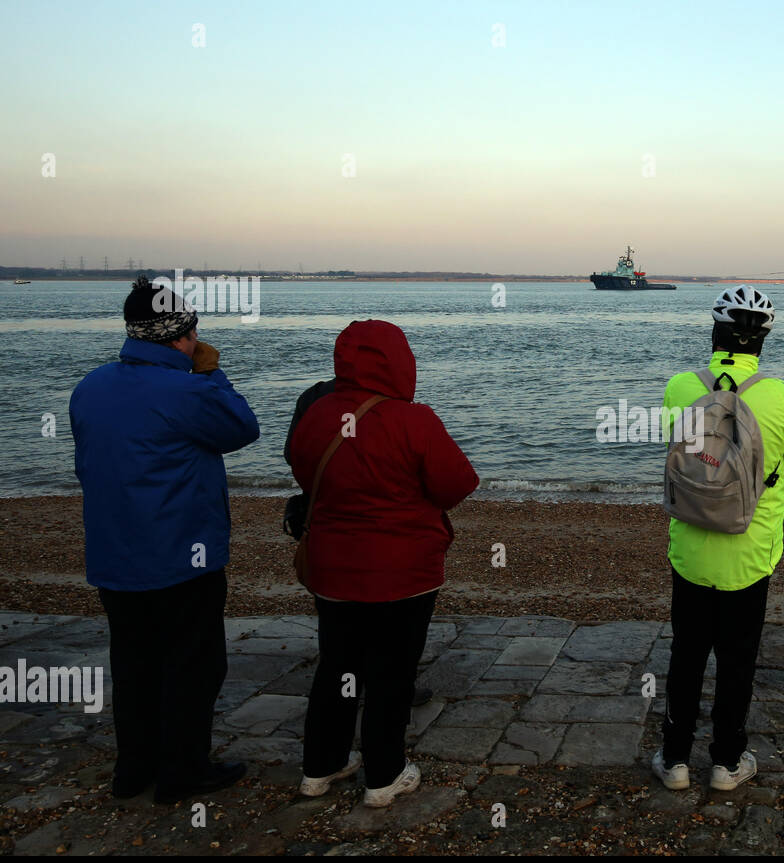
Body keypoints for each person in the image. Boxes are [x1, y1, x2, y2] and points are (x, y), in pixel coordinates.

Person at [70, 274, 260, 804]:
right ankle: (181, 773)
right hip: (181, 555)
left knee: (133, 665)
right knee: (193, 665)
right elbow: (243, 429)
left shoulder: (90, 387)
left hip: (114, 555)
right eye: (193, 332)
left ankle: (133, 771)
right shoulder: (187, 389)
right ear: (182, 335)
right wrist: (213, 371)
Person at [288, 319, 478, 808]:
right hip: (401, 571)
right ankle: (383, 775)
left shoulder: (316, 412)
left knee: (337, 666)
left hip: (333, 568)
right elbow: (457, 484)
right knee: (391, 673)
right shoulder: (413, 420)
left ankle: (321, 766)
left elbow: (300, 467)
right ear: (399, 362)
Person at [652, 285, 784, 791]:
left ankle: (674, 759)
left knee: (686, 654)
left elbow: (674, 453)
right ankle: (726, 762)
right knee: (738, 659)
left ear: (715, 331)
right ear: (762, 339)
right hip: (750, 556)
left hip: (691, 552)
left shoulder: (680, 386)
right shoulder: (780, 395)